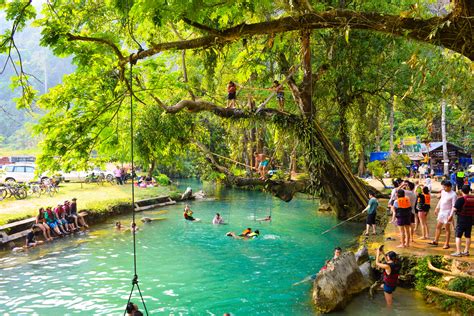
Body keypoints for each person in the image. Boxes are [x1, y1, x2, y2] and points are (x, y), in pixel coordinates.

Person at [430, 181, 457, 249]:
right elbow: (441, 200)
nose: (444, 188)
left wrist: (451, 216)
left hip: (448, 213)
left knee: (447, 229)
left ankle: (447, 244)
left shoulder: (453, 194)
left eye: (445, 187)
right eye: (443, 187)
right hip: (441, 211)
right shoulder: (443, 192)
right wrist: (437, 208)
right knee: (438, 227)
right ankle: (436, 241)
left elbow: (454, 206)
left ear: (449, 187)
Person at [450, 185, 473, 257]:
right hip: (470, 220)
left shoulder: (461, 199)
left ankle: (458, 252)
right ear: (469, 190)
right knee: (468, 236)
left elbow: (454, 209)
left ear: (462, 191)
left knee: (458, 236)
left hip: (461, 220)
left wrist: (450, 216)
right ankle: (466, 251)